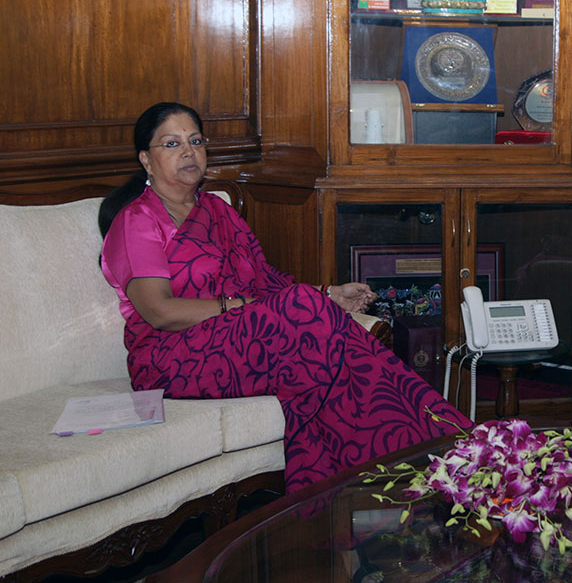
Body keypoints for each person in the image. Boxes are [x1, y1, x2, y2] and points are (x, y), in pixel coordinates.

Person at [99, 102, 469, 492]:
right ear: (146, 159)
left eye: (195, 141)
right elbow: (159, 311)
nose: (188, 152)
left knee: (316, 356)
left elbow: (266, 282)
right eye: (171, 144)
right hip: (168, 357)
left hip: (236, 337)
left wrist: (329, 294)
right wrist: (238, 308)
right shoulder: (137, 220)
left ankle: (353, 487)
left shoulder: (218, 211)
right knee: (306, 317)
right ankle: (443, 457)